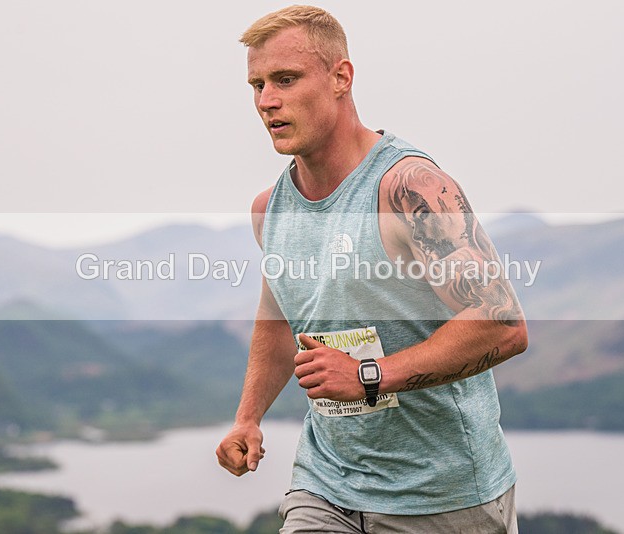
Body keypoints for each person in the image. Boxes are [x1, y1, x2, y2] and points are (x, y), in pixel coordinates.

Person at [216, 5, 528, 533]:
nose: (267, 101)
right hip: (327, 484)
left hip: (443, 496)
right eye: (257, 84)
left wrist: (367, 377)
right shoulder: (270, 209)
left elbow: (502, 324)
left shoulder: (409, 187)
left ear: (341, 77)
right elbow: (277, 317)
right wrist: (248, 417)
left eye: (286, 80)